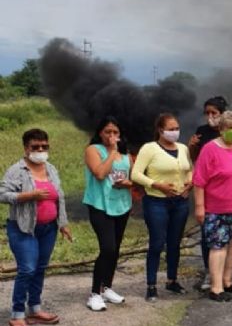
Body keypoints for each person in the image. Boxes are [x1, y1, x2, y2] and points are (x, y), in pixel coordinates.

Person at [1, 129, 72, 326]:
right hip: (23, 228)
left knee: (40, 268)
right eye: (35, 147)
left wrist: (63, 224)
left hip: (48, 228)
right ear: (26, 148)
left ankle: (34, 309)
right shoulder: (17, 170)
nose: (40, 150)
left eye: (44, 146)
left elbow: (60, 197)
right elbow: (3, 194)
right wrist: (28, 196)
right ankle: (17, 314)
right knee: (27, 268)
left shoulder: (51, 168)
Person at [193, 110, 232, 302]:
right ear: (221, 129)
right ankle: (216, 287)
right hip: (217, 208)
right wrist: (199, 207)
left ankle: (228, 280)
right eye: (230, 128)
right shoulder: (209, 149)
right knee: (218, 246)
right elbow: (199, 180)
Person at [188, 96, 232, 291]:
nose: (210, 117)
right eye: (208, 113)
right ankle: (214, 282)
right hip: (215, 202)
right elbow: (198, 169)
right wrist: (199, 205)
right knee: (214, 243)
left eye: (214, 113)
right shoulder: (206, 141)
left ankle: (227, 279)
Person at [132, 113, 193, 302]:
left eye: (177, 128)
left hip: (180, 202)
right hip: (156, 201)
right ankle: (151, 285)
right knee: (157, 243)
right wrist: (156, 185)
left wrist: (189, 184)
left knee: (175, 243)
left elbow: (189, 168)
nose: (175, 132)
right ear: (160, 130)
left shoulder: (183, 148)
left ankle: (172, 280)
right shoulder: (149, 149)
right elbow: (135, 174)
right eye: (171, 129)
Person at [83, 116, 134, 312]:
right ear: (100, 133)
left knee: (116, 248)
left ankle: (107, 287)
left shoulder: (126, 154)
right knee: (107, 248)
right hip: (100, 205)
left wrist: (128, 184)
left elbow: (131, 179)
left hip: (122, 204)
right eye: (108, 132)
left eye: (116, 133)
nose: (112, 136)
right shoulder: (93, 150)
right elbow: (100, 173)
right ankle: (95, 293)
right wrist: (112, 152)